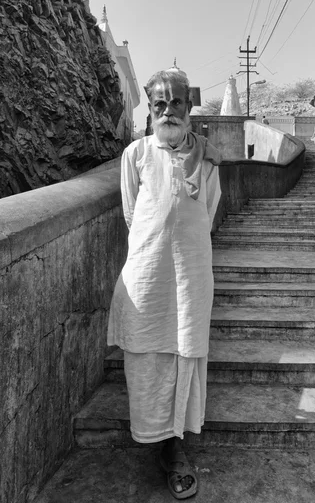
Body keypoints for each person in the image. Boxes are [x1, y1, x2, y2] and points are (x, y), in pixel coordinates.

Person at [107, 67, 222, 499]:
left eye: (176, 102)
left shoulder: (207, 160)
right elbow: (132, 213)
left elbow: (207, 214)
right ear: (150, 109)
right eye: (159, 103)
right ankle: (154, 437)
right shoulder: (135, 155)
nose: (167, 111)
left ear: (189, 107)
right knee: (149, 353)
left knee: (186, 353)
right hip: (149, 273)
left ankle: (176, 449)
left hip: (192, 273)